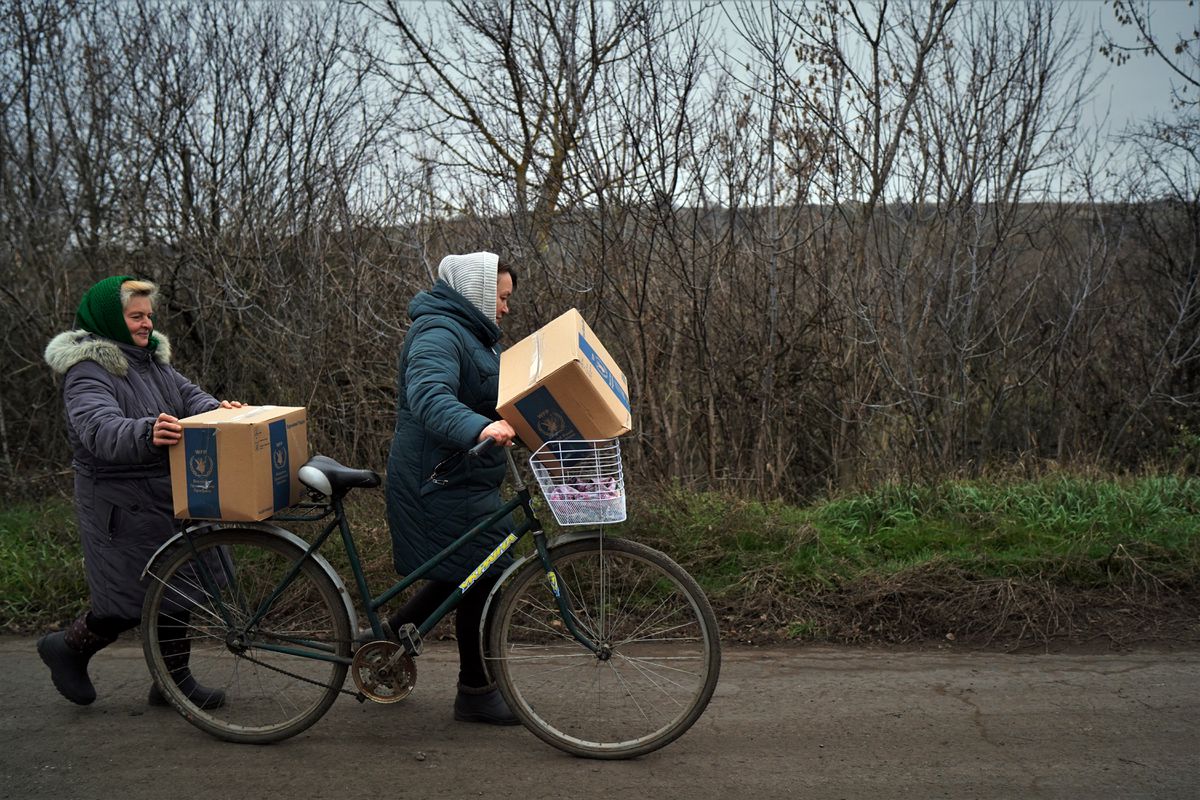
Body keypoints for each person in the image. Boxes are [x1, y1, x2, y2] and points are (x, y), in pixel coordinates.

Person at [39, 276, 241, 708]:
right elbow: (99, 429)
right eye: (136, 316)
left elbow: (189, 397)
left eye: (148, 315)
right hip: (120, 504)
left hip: (163, 493)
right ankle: (67, 648)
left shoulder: (151, 361)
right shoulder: (87, 372)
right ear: (111, 319)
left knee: (176, 589)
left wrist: (220, 412)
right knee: (125, 602)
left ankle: (172, 683)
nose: (147, 323)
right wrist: (147, 432)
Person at [384, 251, 520, 725]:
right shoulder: (438, 332)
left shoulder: (476, 338)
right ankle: (475, 690)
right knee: (485, 570)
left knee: (470, 567)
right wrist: (480, 428)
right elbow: (429, 396)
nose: (505, 308)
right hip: (435, 479)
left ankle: (388, 639)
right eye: (501, 297)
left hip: (463, 476)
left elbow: (490, 396)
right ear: (478, 293)